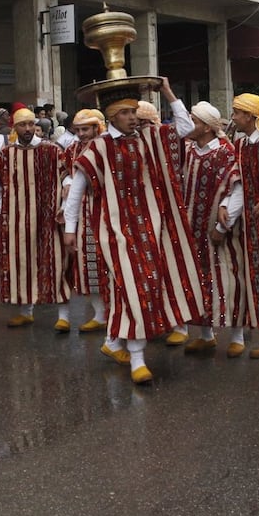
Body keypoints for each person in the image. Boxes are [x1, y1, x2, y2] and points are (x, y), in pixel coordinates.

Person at [63, 78, 203, 384]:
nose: (133, 117)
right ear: (112, 116)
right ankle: (137, 359)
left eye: (134, 111)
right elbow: (76, 191)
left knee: (145, 286)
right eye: (127, 112)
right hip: (115, 233)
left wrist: (168, 92)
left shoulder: (150, 136)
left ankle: (114, 342)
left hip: (152, 231)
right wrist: (70, 229)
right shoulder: (96, 149)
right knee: (132, 287)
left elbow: (186, 129)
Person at [0, 108, 71, 329]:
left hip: (48, 216)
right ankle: (26, 312)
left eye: (30, 125)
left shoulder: (52, 150)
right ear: (14, 128)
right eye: (22, 125)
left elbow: (66, 175)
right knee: (21, 263)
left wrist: (67, 191)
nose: (26, 129)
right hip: (16, 218)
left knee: (54, 262)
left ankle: (64, 317)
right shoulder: (6, 153)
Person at [214, 93, 259, 357]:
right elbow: (238, 182)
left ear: (250, 116)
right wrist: (225, 204)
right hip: (252, 225)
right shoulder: (242, 145)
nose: (233, 118)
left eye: (236, 113)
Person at [177, 101, 238, 352]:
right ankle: (205, 334)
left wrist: (222, 226)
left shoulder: (226, 152)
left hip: (218, 226)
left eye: (194, 120)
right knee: (197, 277)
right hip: (192, 226)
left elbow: (235, 188)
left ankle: (237, 338)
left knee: (229, 277)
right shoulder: (189, 151)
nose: (189, 125)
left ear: (206, 127)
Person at [59, 110, 109, 334]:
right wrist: (68, 180)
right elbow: (64, 171)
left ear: (97, 128)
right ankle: (99, 315)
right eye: (78, 130)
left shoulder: (108, 146)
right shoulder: (71, 149)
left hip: (108, 211)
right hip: (81, 213)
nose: (81, 134)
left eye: (85, 129)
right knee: (88, 266)